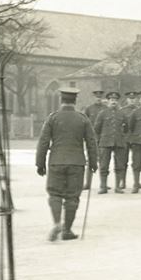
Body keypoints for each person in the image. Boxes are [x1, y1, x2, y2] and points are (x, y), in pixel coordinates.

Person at [35, 87, 97, 241]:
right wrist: (93, 163)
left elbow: (43, 142)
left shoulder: (52, 118)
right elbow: (91, 142)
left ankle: (57, 223)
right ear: (75, 101)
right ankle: (67, 230)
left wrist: (40, 163)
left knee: (55, 194)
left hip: (56, 161)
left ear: (61, 100)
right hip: (77, 163)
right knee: (72, 197)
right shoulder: (83, 119)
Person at [93, 91, 128, 194]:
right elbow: (96, 129)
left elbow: (127, 128)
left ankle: (118, 187)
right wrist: (100, 140)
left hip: (119, 142)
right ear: (107, 101)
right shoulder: (102, 113)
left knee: (119, 165)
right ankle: (103, 186)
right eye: (112, 100)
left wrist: (122, 137)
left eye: (116, 100)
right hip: (105, 142)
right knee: (104, 165)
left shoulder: (122, 114)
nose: (114, 102)